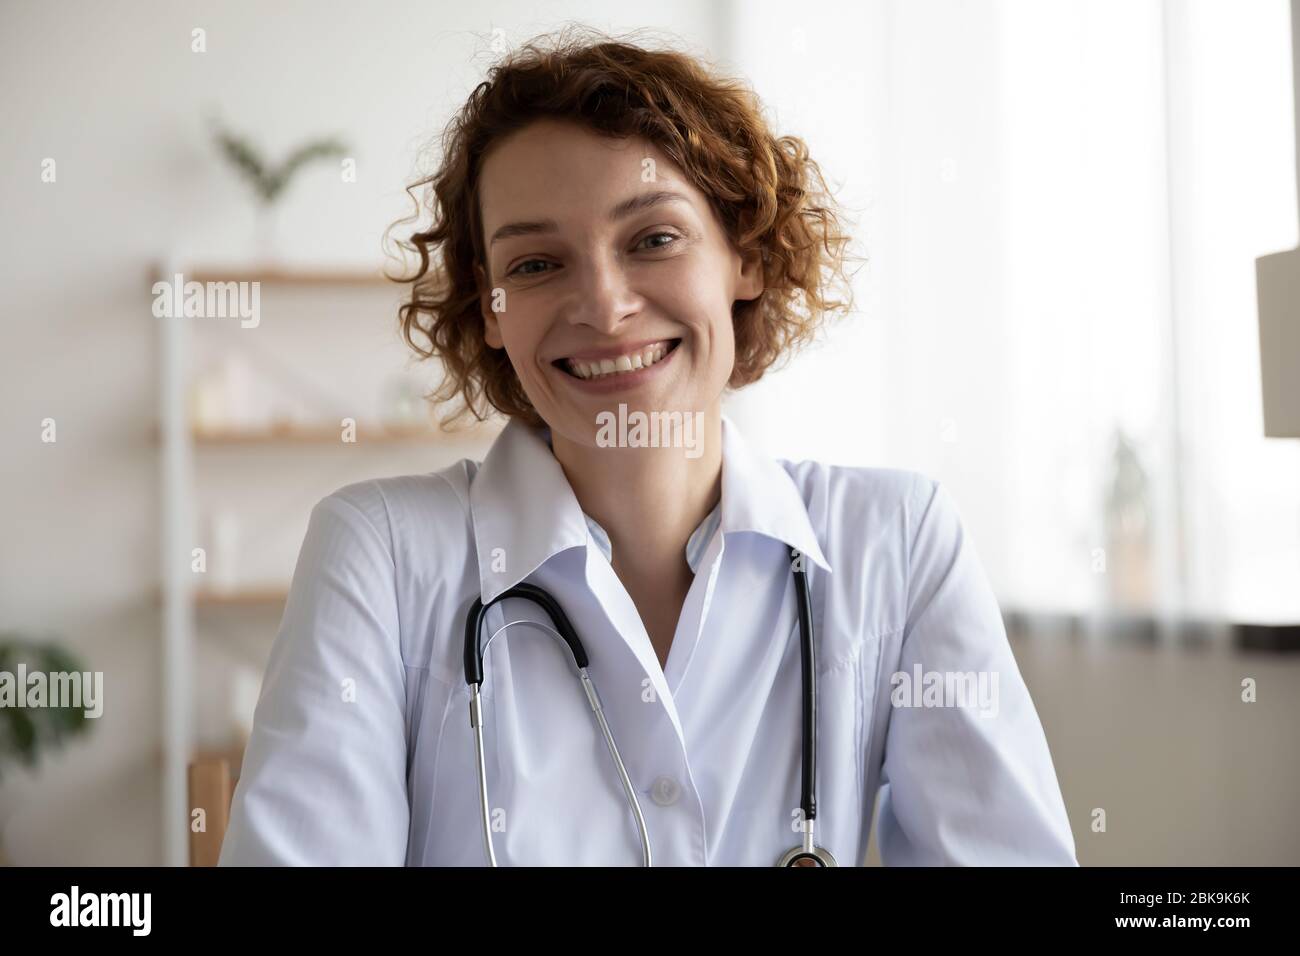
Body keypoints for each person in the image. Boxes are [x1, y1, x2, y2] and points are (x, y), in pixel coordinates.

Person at [218, 27, 1077, 866]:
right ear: (490, 309)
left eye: (653, 240)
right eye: (535, 265)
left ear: (743, 255)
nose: (602, 303)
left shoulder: (897, 543)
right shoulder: (379, 555)